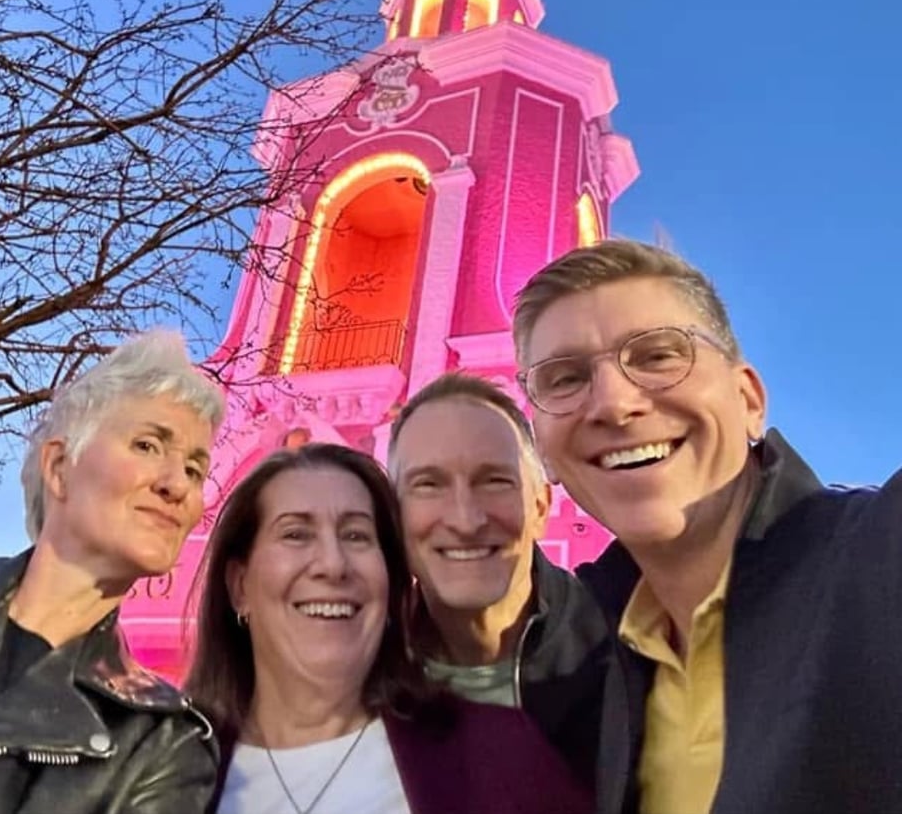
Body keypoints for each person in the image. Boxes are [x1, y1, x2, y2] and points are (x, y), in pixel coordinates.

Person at [513, 238, 902, 814]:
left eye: (657, 356)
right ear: (542, 448)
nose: (614, 404)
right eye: (565, 379)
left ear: (748, 398)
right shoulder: (593, 667)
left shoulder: (878, 557)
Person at [187, 442, 591, 814]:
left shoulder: (499, 753)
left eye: (356, 535)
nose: (333, 564)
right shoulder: (168, 764)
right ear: (240, 586)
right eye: (296, 534)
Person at [0, 329, 225, 814]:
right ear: (59, 467)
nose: (177, 484)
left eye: (195, 470)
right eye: (147, 445)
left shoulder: (161, 743)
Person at [387, 373, 608, 771]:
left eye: (494, 481)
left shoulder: (628, 662)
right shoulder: (356, 679)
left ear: (541, 507)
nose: (465, 520)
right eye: (427, 484)